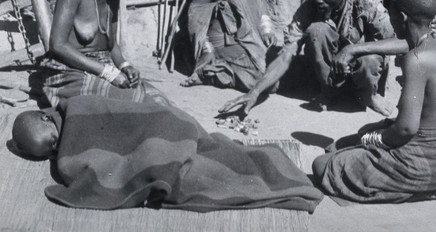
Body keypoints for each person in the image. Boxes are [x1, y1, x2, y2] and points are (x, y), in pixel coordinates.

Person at [11, 96, 323, 213]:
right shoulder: (63, 148)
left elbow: (123, 114)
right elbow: (85, 157)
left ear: (44, 116)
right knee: (201, 176)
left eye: (52, 140)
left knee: (206, 150)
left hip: (165, 123)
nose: (57, 148)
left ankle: (273, 168)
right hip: (157, 140)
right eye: (49, 151)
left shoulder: (77, 107)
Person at [312, 0, 436, 203]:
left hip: (428, 162)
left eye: (391, 14)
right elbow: (406, 43)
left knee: (322, 165)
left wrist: (368, 140)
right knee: (342, 144)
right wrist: (353, 49)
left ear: (402, 18)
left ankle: (419, 190)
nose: (389, 19)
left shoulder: (417, 61)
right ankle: (409, 180)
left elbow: (405, 129)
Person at [219, 0, 395, 116]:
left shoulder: (367, 3)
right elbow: (286, 54)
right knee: (316, 31)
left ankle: (369, 96)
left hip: (363, 68)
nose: (318, 0)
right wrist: (255, 92)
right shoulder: (309, 8)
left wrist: (353, 49)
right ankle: (328, 91)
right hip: (333, 71)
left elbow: (397, 43)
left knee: (369, 59)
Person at [39, 0, 167, 107]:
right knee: (126, 101)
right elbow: (57, 45)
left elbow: (111, 45)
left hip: (103, 67)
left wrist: (125, 66)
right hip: (69, 70)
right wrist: (108, 73)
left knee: (157, 98)